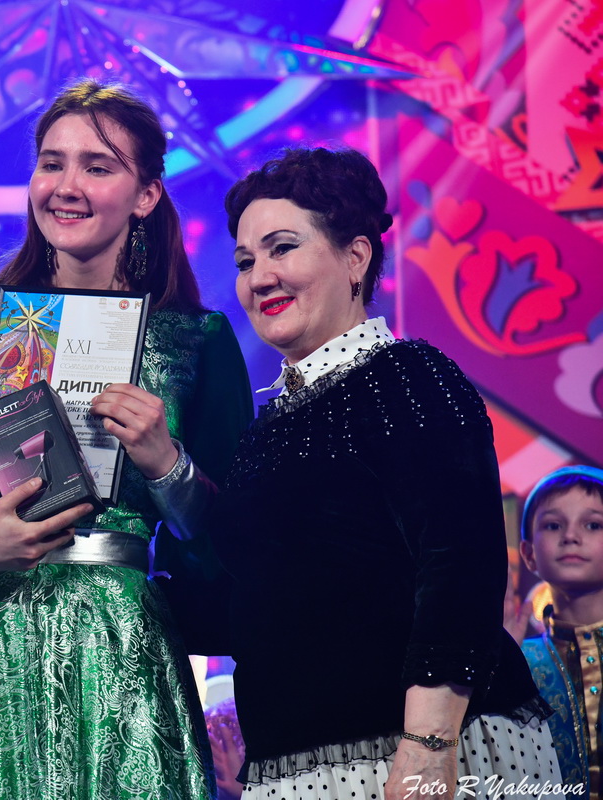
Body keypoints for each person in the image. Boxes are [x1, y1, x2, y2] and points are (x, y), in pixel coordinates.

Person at [0, 78, 253, 799]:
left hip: (124, 661)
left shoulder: (196, 342)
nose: (66, 186)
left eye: (97, 166)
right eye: (52, 163)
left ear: (146, 194)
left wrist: (167, 466)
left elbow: (236, 546)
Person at [211, 146, 563, 800]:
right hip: (296, 765)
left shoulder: (407, 377)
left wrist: (429, 744)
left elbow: (460, 563)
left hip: (421, 751)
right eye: (245, 261)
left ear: (355, 258)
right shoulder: (266, 429)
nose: (260, 276)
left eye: (282, 248)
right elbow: (258, 603)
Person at [520, 465, 603, 796]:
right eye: (553, 525)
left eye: (593, 525)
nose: (571, 536)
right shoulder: (518, 659)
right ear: (529, 554)